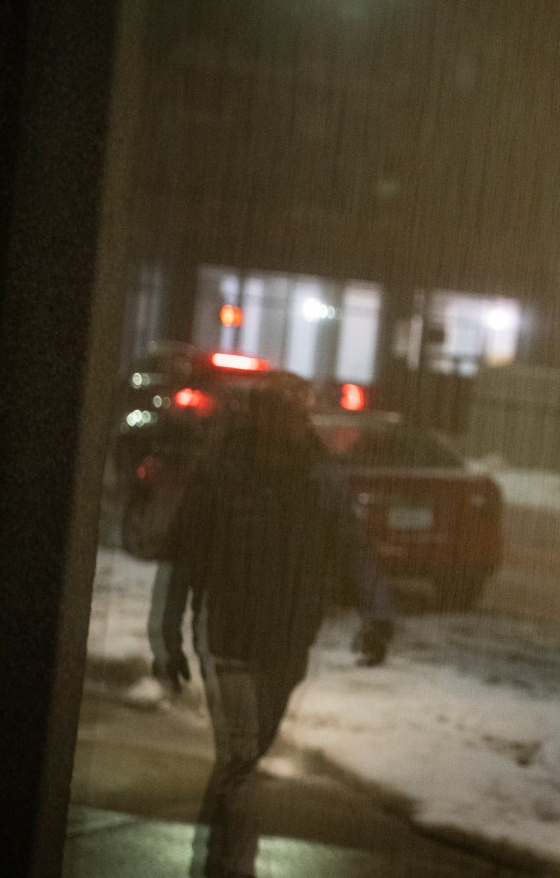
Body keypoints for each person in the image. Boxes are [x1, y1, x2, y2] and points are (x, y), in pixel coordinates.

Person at [148, 371, 395, 878]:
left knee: (242, 764)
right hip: (228, 641)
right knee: (240, 763)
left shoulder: (319, 480)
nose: (285, 424)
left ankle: (214, 862)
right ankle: (237, 869)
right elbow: (183, 563)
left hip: (287, 646)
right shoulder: (221, 474)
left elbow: (353, 551)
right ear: (259, 416)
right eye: (278, 413)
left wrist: (379, 615)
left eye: (294, 414)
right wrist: (168, 638)